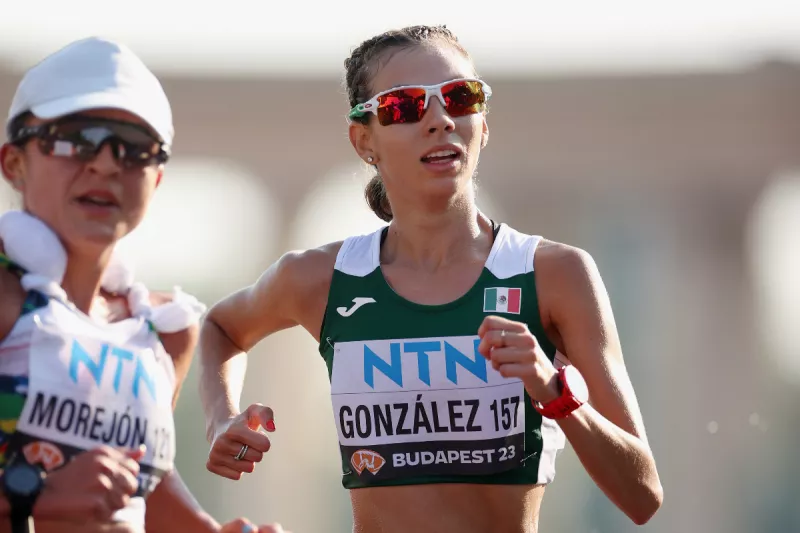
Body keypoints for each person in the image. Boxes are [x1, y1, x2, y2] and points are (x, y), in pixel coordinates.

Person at [199, 25, 663, 533]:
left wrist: (554, 392)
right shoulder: (322, 278)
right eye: (405, 106)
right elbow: (221, 328)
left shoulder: (555, 274)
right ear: (364, 140)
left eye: (461, 98)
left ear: (483, 124)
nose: (440, 119)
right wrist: (222, 419)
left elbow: (642, 496)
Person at [0, 37, 289, 533]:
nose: (106, 164)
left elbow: (143, 487)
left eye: (135, 149)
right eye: (75, 138)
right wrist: (27, 495)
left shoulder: (165, 330)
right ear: (14, 163)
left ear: (156, 180)